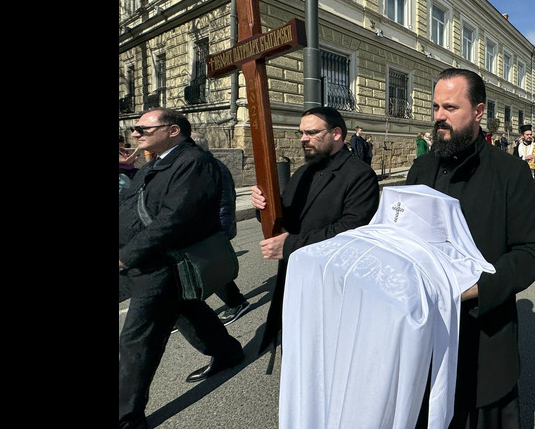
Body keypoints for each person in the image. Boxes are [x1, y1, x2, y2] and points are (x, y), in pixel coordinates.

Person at [406, 68, 535, 428]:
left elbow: (531, 252)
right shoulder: (421, 169)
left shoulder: (511, 173)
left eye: (450, 107)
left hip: (483, 332)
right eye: (436, 106)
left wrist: (477, 289)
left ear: (479, 111)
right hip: (426, 331)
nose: (439, 116)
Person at [119, 108, 245, 429]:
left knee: (137, 339)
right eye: (136, 129)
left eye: (143, 128)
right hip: (142, 257)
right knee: (188, 311)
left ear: (173, 130)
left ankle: (126, 418)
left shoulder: (194, 163)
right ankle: (228, 352)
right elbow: (132, 207)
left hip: (163, 262)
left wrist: (127, 254)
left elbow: (175, 219)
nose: (135, 133)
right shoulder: (157, 162)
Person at [250, 107, 380, 356]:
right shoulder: (303, 172)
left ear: (336, 133)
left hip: (330, 284)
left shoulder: (360, 175)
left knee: (325, 351)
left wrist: (289, 246)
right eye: (301, 132)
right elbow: (288, 216)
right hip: (295, 278)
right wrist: (265, 206)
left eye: (311, 132)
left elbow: (350, 231)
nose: (303, 138)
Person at [190, 133, 252, 327]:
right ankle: (184, 312)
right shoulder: (198, 164)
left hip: (213, 229)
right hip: (201, 228)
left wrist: (220, 232)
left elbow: (223, 201)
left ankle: (236, 302)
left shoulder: (209, 166)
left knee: (211, 270)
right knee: (193, 271)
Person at [514, 123, 535, 194]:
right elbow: (514, 160)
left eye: (530, 134)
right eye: (527, 135)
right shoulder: (518, 147)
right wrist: (524, 158)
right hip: (522, 176)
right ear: (523, 136)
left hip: (534, 176)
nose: (529, 136)